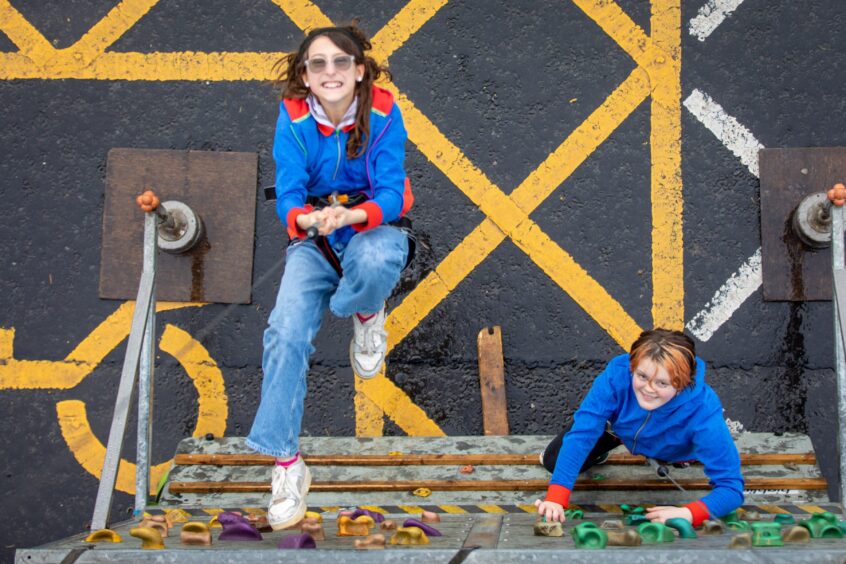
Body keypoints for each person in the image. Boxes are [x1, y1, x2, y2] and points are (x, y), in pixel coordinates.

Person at [246, 23, 414, 530]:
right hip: (315, 236)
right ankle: (286, 465)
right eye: (318, 63)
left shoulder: (384, 111)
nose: (330, 71)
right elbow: (289, 188)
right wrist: (306, 219)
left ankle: (365, 311)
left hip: (369, 227)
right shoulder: (293, 118)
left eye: (341, 61)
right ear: (305, 75)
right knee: (284, 335)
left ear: (359, 71)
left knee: (378, 261)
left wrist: (352, 216)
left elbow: (390, 191)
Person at [534, 328, 744, 527]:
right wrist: (556, 498)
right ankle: (602, 451)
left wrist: (689, 513)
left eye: (662, 383)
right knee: (552, 460)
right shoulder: (617, 374)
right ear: (632, 366)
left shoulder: (704, 409)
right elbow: (583, 432)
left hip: (673, 448)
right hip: (621, 432)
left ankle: (682, 456)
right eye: (642, 376)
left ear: (682, 383)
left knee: (699, 452)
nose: (648, 389)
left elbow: (731, 488)